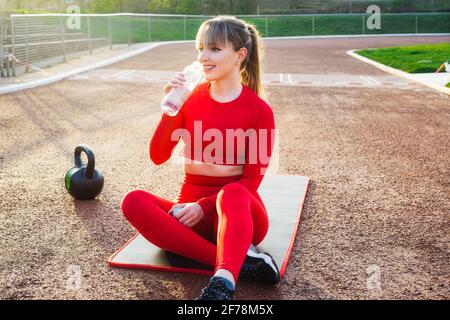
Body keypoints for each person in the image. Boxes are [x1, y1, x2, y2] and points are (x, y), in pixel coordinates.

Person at [121, 15, 280, 300]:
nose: (203, 57)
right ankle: (237, 263)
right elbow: (157, 156)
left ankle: (223, 281)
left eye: (215, 49)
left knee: (231, 191)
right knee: (133, 201)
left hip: (239, 215)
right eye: (200, 48)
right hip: (190, 218)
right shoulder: (189, 97)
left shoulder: (259, 111)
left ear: (239, 55)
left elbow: (250, 182)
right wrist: (171, 108)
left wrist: (204, 208)